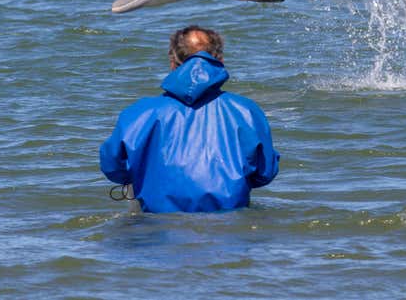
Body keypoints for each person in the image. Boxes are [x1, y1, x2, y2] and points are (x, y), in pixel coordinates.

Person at [99, 25, 279, 213]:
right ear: (220, 60)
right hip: (228, 225)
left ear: (172, 62)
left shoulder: (138, 112)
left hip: (158, 226)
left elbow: (112, 166)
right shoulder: (246, 110)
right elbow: (265, 173)